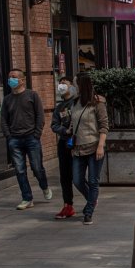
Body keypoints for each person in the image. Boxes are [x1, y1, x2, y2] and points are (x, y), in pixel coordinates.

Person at [0, 68, 51, 210]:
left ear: (22, 80)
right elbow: (3, 119)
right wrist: (8, 136)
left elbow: (40, 116)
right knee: (20, 170)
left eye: (14, 77)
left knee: (37, 167)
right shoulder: (7, 99)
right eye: (10, 77)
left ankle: (44, 186)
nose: (11, 79)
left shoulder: (32, 95)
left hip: (31, 138)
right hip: (14, 140)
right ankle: (27, 198)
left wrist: (37, 134)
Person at [70, 73, 109, 225]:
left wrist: (101, 146)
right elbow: (73, 124)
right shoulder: (74, 102)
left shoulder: (97, 102)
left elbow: (104, 125)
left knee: (93, 181)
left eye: (75, 84)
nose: (73, 87)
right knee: (77, 180)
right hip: (78, 148)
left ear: (81, 85)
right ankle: (92, 199)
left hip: (94, 147)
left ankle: (89, 211)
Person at [50, 76, 78, 220]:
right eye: (60, 83)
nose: (61, 86)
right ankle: (68, 204)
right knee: (65, 176)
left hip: (79, 143)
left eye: (64, 83)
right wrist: (64, 131)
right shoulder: (59, 107)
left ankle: (91, 199)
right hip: (64, 143)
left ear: (72, 86)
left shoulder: (78, 103)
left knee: (78, 176)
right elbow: (54, 125)